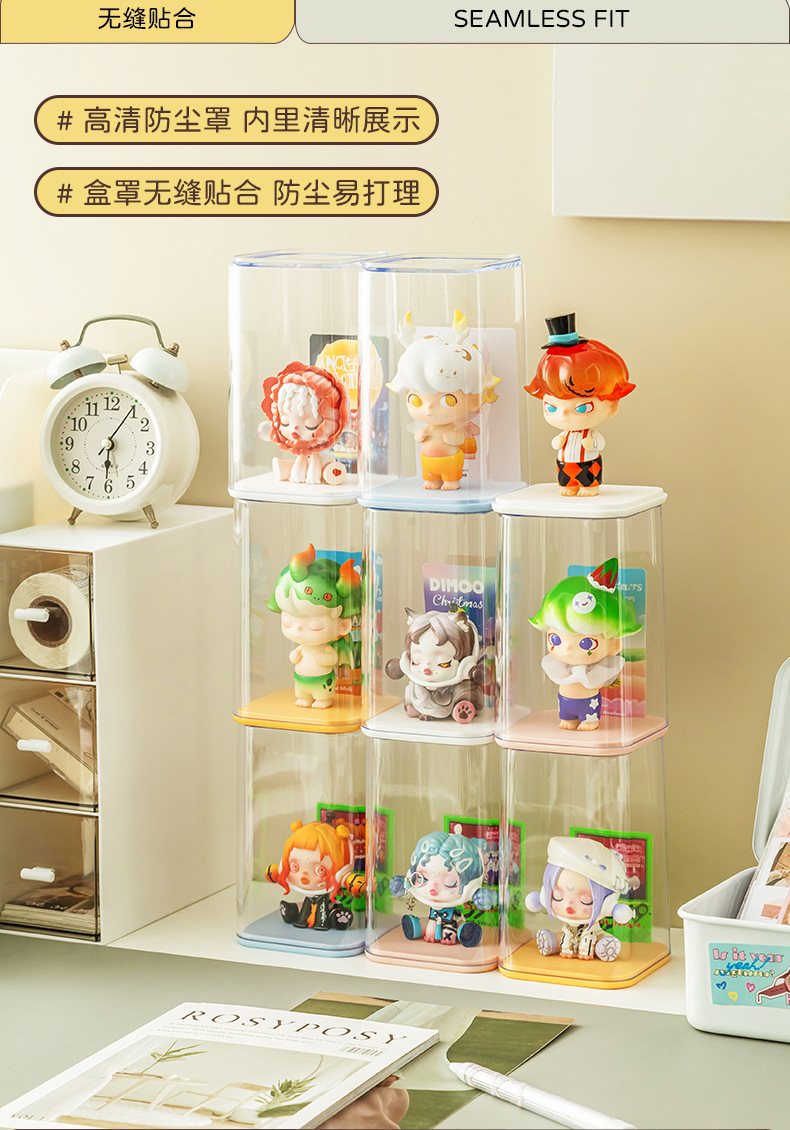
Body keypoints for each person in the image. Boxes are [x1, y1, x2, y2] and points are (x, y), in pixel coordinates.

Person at [387, 309, 498, 491]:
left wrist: (453, 437)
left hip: (450, 461)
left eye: (448, 401)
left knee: (450, 473)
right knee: (429, 474)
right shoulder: (428, 428)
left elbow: (459, 438)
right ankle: (432, 480)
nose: (429, 408)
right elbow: (419, 437)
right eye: (416, 401)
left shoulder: (455, 426)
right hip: (429, 463)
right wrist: (420, 435)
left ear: (472, 400)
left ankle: (451, 480)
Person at [525, 313, 635, 496]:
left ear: (612, 406)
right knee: (565, 479)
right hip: (565, 465)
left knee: (587, 477)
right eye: (551, 407)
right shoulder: (565, 434)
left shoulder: (590, 433)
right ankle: (568, 485)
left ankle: (589, 486)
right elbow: (556, 443)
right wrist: (558, 441)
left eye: (582, 408)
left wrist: (591, 443)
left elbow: (599, 443)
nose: (563, 415)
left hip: (587, 465)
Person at [529, 557, 641, 730]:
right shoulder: (558, 667)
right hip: (565, 700)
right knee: (565, 712)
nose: (567, 648)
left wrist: (589, 679)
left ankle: (590, 720)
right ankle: (568, 719)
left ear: (614, 645)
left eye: (586, 643)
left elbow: (598, 683)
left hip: (588, 700)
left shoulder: (597, 670)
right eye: (555, 639)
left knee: (589, 711)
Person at [267, 544, 361, 709]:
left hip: (323, 681)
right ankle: (303, 697)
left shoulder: (327, 648)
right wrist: (295, 655)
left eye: (315, 627)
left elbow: (332, 658)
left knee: (322, 691)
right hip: (301, 680)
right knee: (301, 692)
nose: (297, 629)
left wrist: (326, 659)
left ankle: (323, 699)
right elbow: (294, 657)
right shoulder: (302, 647)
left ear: (343, 625)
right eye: (288, 622)